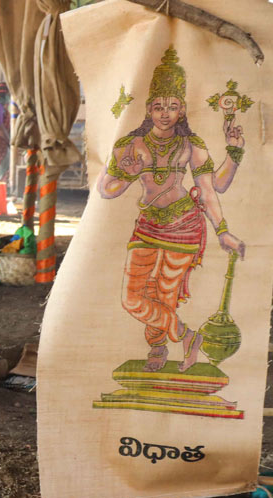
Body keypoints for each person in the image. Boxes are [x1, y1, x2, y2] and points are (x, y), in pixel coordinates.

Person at [98, 46, 245, 372]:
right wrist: (128, 173)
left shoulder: (191, 145)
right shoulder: (129, 145)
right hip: (148, 224)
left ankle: (158, 348)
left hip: (184, 225)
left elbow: (213, 188)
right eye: (159, 106)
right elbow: (107, 190)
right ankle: (186, 335)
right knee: (134, 297)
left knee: (164, 295)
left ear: (182, 110)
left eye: (173, 106)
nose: (166, 112)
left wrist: (233, 155)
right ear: (149, 109)